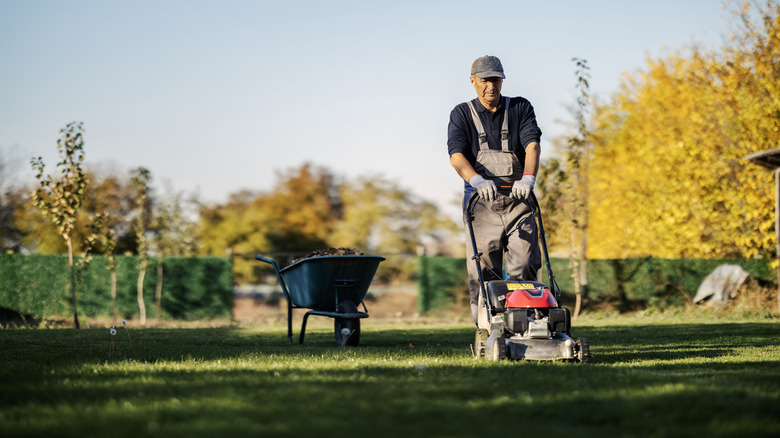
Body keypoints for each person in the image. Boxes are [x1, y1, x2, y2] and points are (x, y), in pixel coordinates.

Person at [447, 55, 542, 325]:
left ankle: (526, 321)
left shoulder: (520, 108)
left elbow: (532, 146)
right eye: (485, 80)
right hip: (480, 204)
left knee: (525, 262)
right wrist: (476, 180)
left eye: (496, 80)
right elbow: (456, 156)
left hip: (518, 201)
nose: (491, 86)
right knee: (483, 269)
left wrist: (527, 179)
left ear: (502, 80)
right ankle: (487, 325)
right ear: (473, 82)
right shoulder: (462, 113)